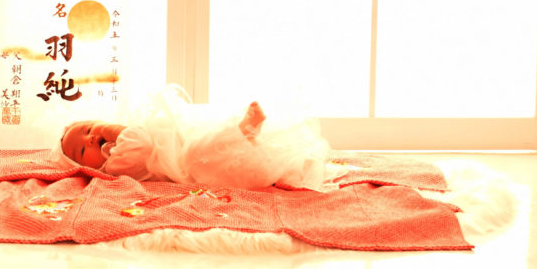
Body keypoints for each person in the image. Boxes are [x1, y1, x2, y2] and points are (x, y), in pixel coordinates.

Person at [54, 85, 333, 191]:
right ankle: (242, 133)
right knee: (198, 152)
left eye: (88, 129)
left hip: (186, 143)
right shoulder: (115, 167)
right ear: (87, 168)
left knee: (203, 136)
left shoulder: (122, 140)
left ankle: (245, 135)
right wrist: (109, 129)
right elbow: (141, 143)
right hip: (188, 167)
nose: (90, 139)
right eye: (82, 151)